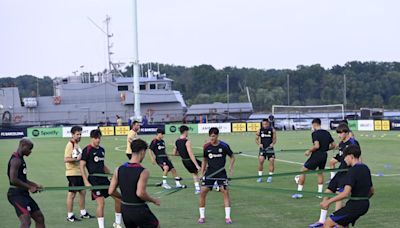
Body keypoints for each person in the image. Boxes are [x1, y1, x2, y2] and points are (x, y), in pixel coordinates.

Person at [309, 123, 360, 228]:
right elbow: (340, 157)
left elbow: (358, 158)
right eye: (338, 133)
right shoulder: (341, 144)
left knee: (338, 196)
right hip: (339, 173)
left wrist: (358, 171)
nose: (339, 135)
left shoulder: (353, 143)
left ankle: (338, 221)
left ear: (346, 133)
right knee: (327, 193)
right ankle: (321, 221)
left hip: (347, 174)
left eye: (341, 133)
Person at [108, 139, 161, 228]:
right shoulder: (143, 171)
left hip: (125, 209)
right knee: (156, 225)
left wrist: (123, 197)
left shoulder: (118, 169)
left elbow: (110, 191)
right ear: (142, 152)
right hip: (139, 209)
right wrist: (153, 200)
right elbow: (140, 193)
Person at [320, 145, 374, 228]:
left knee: (328, 223)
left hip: (355, 206)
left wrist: (328, 202)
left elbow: (345, 193)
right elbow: (371, 191)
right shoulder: (365, 168)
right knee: (344, 223)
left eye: (345, 157)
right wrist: (363, 200)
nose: (344, 160)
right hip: (365, 204)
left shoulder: (352, 171)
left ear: (351, 156)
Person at [80, 129, 122, 228]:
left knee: (119, 198)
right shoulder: (87, 150)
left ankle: (117, 223)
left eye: (99, 138)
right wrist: (86, 181)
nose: (98, 140)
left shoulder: (102, 150)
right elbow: (82, 166)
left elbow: (102, 165)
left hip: (104, 180)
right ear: (91, 138)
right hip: (94, 180)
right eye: (96, 138)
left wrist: (112, 175)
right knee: (101, 203)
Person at [198, 128, 235, 225]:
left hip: (221, 172)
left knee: (225, 192)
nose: (211, 138)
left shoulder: (224, 146)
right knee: (202, 192)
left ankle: (228, 217)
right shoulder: (206, 147)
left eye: (213, 136)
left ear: (217, 136)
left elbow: (232, 156)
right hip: (210, 172)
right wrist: (202, 173)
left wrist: (231, 167)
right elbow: (205, 160)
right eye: (210, 136)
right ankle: (202, 217)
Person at [292, 118, 336, 199]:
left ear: (314, 125)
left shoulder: (315, 133)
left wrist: (309, 151)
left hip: (317, 155)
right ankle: (319, 193)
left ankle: (299, 193)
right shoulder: (327, 133)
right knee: (320, 173)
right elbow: (334, 145)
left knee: (303, 171)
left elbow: (316, 146)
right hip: (324, 155)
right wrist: (326, 149)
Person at [7, 138, 45, 228]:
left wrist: (34, 185)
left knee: (39, 217)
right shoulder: (16, 160)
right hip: (16, 194)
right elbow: (13, 179)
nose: (30, 151)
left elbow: (22, 179)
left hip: (23, 194)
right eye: (29, 149)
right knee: (26, 221)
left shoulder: (20, 159)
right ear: (22, 146)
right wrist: (29, 187)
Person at [64, 126, 94, 222]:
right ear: (72, 135)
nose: (79, 136)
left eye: (80, 134)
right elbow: (66, 159)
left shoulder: (76, 144)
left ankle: (83, 213)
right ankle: (70, 215)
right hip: (72, 173)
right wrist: (76, 159)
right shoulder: (70, 144)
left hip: (79, 172)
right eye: (77, 134)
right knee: (72, 194)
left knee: (82, 192)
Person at [174, 125, 202, 194]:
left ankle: (197, 188)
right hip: (190, 160)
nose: (188, 133)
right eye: (187, 131)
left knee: (195, 173)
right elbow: (191, 154)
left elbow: (174, 153)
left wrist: (182, 154)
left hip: (184, 161)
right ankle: (213, 183)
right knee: (204, 168)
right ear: (185, 132)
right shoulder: (187, 142)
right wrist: (196, 165)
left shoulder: (177, 141)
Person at [255, 119, 277, 183]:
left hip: (270, 148)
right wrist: (259, 144)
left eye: (266, 124)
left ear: (268, 124)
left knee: (271, 161)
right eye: (263, 124)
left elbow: (274, 139)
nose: (264, 125)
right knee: (261, 160)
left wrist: (272, 144)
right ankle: (260, 177)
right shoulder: (259, 130)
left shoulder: (272, 130)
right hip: (262, 148)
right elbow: (256, 139)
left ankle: (270, 177)